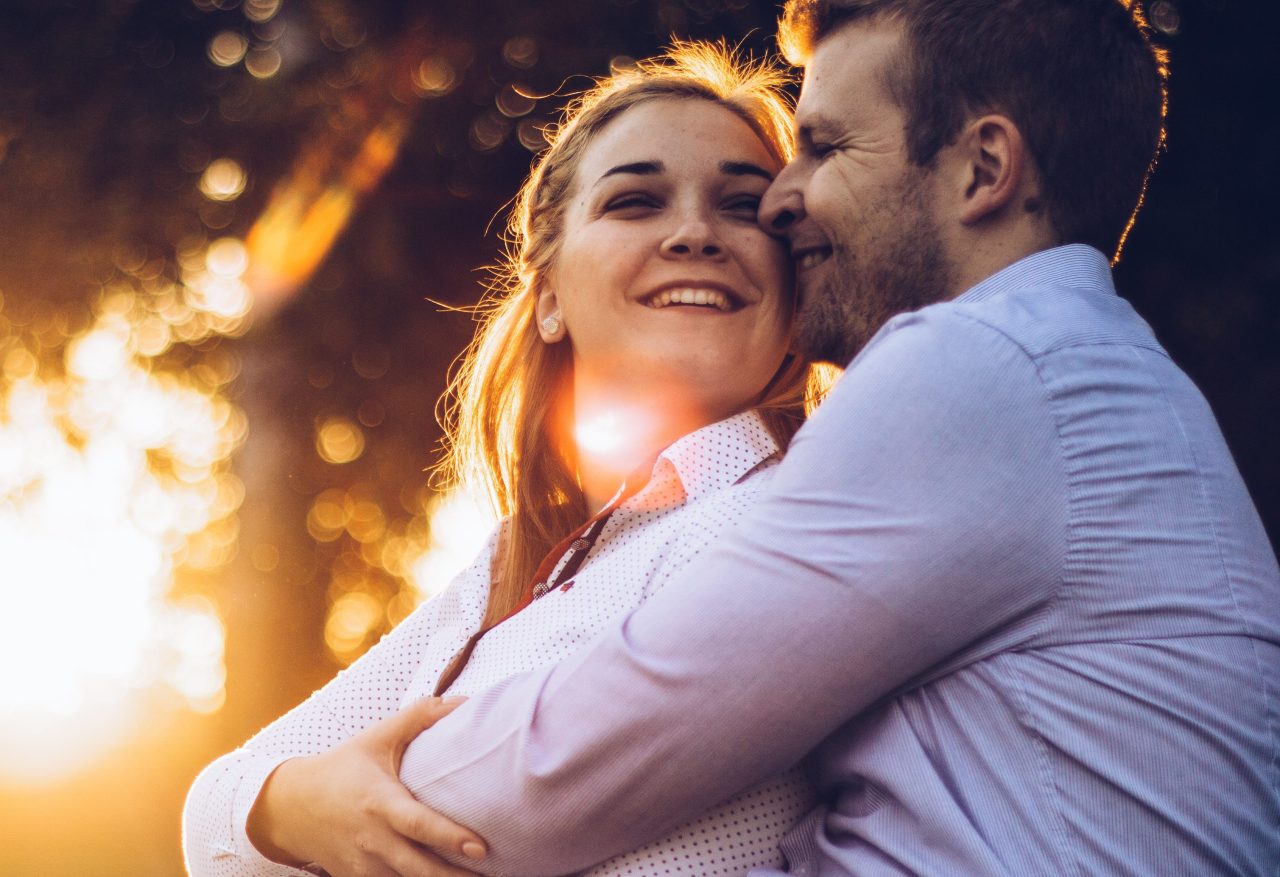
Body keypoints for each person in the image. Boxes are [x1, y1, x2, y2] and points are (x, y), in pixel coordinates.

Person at [339, 1, 1279, 875]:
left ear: (983, 170)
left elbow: (566, 763)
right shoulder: (1068, 372)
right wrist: (249, 798)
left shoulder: (982, 367)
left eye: (825, 147)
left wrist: (289, 802)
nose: (784, 200)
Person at [183, 43, 838, 877]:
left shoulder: (800, 515)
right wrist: (281, 803)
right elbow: (215, 824)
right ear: (551, 295)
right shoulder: (511, 562)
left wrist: (314, 809)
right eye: (635, 200)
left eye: (745, 208)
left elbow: (508, 808)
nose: (695, 233)